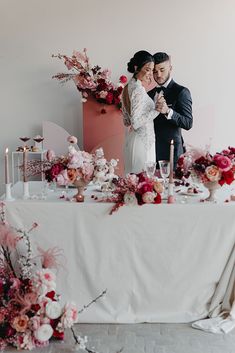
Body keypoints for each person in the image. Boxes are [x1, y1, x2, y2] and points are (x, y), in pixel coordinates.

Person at [148, 52, 193, 169]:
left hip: (171, 153)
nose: (158, 74)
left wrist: (168, 111)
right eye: (154, 71)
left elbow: (188, 123)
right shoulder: (148, 94)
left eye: (162, 70)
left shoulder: (181, 92)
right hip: (149, 152)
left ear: (170, 68)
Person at [122, 51, 159, 174]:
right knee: (142, 184)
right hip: (143, 143)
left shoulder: (128, 87)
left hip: (133, 141)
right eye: (147, 69)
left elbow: (126, 121)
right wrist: (156, 110)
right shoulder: (138, 89)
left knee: (133, 185)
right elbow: (135, 122)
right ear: (137, 67)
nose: (150, 74)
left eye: (152, 70)